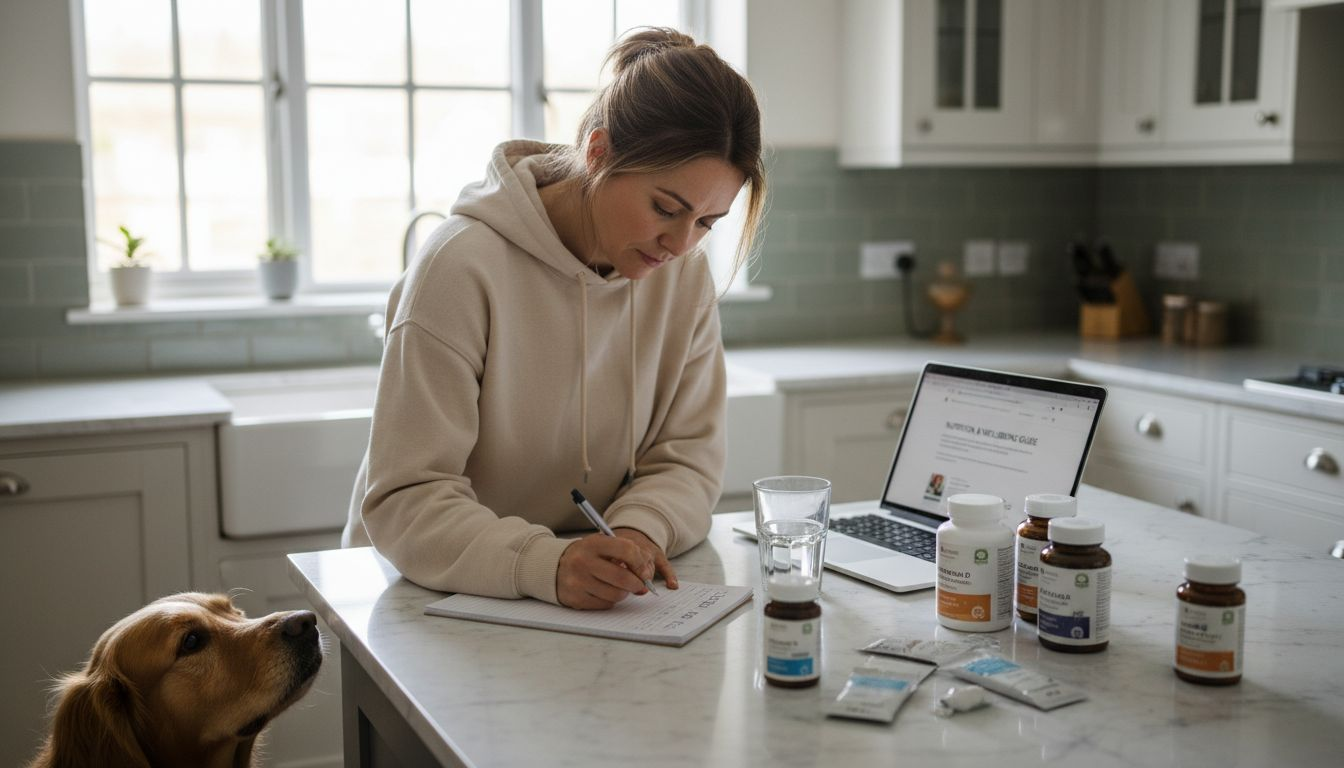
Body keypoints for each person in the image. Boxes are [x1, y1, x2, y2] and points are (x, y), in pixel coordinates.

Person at [342, 28, 766, 611]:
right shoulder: (460, 266)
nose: (679, 242)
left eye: (706, 223)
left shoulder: (681, 274)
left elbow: (687, 455)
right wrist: (546, 563)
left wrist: (640, 532)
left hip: (587, 598)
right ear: (598, 153)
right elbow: (406, 498)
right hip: (423, 593)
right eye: (666, 208)